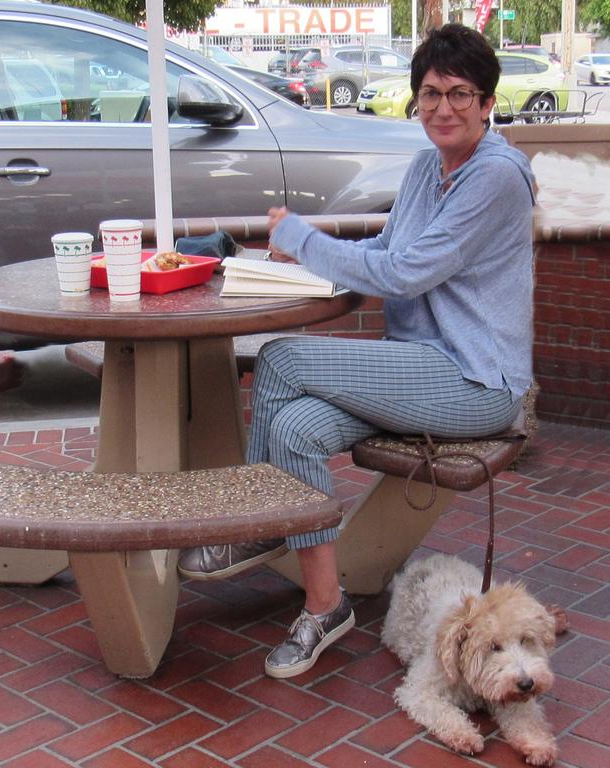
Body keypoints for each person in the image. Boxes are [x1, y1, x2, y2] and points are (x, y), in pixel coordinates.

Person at [178, 24, 536, 679]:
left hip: (473, 381)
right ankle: (326, 605)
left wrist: (307, 239)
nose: (443, 109)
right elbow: (386, 251)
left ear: (488, 103)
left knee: (283, 359)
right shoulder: (430, 164)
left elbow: (405, 274)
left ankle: (260, 521)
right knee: (291, 426)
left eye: (460, 94)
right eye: (429, 94)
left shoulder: (498, 177)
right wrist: (297, 252)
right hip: (416, 366)